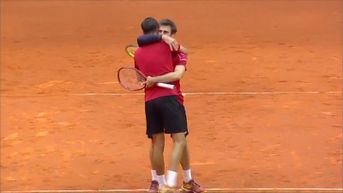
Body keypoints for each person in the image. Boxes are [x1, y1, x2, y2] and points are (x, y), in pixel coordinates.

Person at [137, 19, 205, 193]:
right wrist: (150, 81)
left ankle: (186, 180)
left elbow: (178, 73)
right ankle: (165, 183)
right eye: (160, 32)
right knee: (176, 140)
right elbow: (143, 80)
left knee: (178, 141)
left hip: (155, 101)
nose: (162, 35)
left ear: (172, 36)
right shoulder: (162, 47)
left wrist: (152, 80)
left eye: (166, 33)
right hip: (169, 99)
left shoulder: (173, 51)